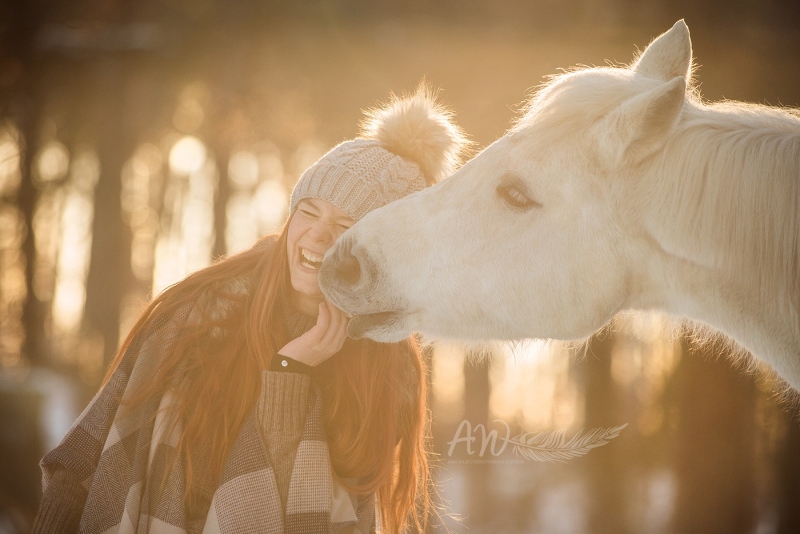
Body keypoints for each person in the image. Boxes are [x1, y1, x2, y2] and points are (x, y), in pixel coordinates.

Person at [31, 87, 468, 534]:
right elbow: (80, 463)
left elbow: (304, 514)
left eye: (344, 226)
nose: (317, 236)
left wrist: (289, 374)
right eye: (309, 212)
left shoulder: (386, 362)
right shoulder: (198, 312)